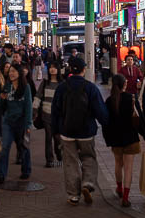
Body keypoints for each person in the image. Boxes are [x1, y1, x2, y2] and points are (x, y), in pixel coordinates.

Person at [50, 57, 109, 206]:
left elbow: (55, 111)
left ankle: (73, 195)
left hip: (66, 132)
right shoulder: (90, 88)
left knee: (70, 162)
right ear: (84, 70)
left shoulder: (62, 88)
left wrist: (55, 131)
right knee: (89, 158)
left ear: (70, 69)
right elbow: (100, 111)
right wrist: (107, 124)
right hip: (86, 132)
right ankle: (87, 183)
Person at [103, 74, 145, 207]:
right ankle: (125, 197)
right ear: (124, 84)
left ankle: (119, 188)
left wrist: (107, 138)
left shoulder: (109, 101)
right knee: (128, 168)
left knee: (118, 164)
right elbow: (140, 119)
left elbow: (106, 122)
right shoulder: (131, 99)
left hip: (116, 139)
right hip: (130, 138)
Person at [0, 63, 33, 183]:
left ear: (19, 73)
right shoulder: (7, 86)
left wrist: (28, 124)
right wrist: (1, 98)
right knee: (5, 147)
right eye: (10, 71)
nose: (11, 73)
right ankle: (1, 173)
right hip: (8, 122)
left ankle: (26, 170)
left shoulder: (26, 87)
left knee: (24, 147)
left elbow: (28, 106)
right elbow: (1, 105)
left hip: (21, 123)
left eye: (14, 71)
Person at [34, 61, 63, 167]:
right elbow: (38, 96)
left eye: (54, 67)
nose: (52, 69)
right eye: (50, 67)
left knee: (57, 138)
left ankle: (59, 154)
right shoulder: (45, 83)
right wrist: (34, 109)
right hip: (46, 114)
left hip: (58, 116)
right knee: (48, 137)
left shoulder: (62, 84)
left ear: (58, 69)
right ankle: (49, 160)